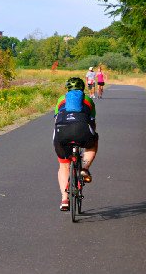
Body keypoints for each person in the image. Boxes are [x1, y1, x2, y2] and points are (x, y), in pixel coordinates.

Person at [53, 77, 98, 211]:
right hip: (82, 131)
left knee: (63, 165)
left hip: (62, 133)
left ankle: (64, 199)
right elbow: (92, 121)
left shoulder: (61, 100)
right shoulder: (88, 100)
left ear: (67, 89)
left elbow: (56, 121)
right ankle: (84, 168)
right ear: (83, 88)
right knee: (93, 142)